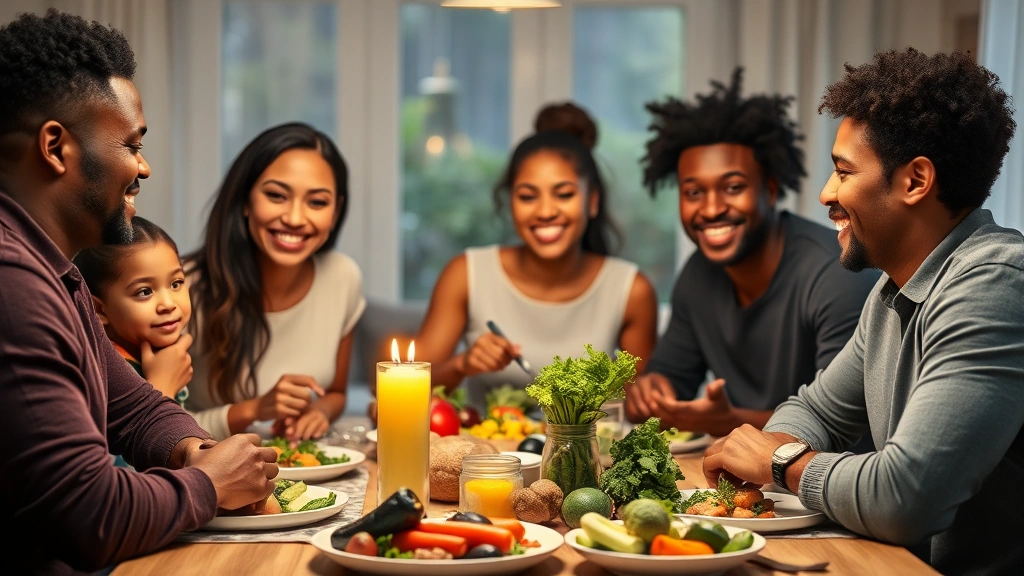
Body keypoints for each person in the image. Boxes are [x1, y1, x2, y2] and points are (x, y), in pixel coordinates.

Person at [702, 49, 1024, 575]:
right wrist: (774, 449)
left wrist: (781, 463)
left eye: (843, 171)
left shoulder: (995, 284)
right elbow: (817, 411)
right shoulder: (894, 290)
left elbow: (906, 498)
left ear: (915, 181)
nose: (828, 193)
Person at [0, 10, 277, 575]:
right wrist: (207, 484)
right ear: (55, 147)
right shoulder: (14, 285)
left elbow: (132, 407)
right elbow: (90, 516)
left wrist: (195, 450)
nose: (143, 167)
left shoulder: (53, 269)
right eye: (131, 144)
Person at [627, 69, 879, 437]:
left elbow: (844, 426)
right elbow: (670, 381)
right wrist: (653, 394)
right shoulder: (699, 274)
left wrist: (729, 421)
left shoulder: (838, 273)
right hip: (745, 476)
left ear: (771, 190)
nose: (711, 208)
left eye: (732, 187)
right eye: (693, 192)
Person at [414, 102, 659, 410]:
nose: (545, 211)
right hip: (491, 455)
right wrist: (462, 365)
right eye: (528, 196)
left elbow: (643, 410)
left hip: (585, 457)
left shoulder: (632, 291)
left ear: (592, 201)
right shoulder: (465, 274)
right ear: (510, 202)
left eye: (564, 194)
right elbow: (400, 388)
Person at [185, 122, 365, 442]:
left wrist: (319, 412)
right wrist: (253, 410)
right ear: (244, 200)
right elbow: (147, 426)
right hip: (208, 474)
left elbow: (336, 392)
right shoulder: (183, 288)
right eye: (276, 195)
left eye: (317, 202)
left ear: (335, 212)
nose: (295, 218)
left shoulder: (342, 277)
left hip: (301, 470)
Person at [74, 216, 193, 407]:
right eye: (144, 292)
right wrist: (163, 385)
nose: (168, 304)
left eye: (175, 283)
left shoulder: (165, 351)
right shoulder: (103, 370)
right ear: (98, 309)